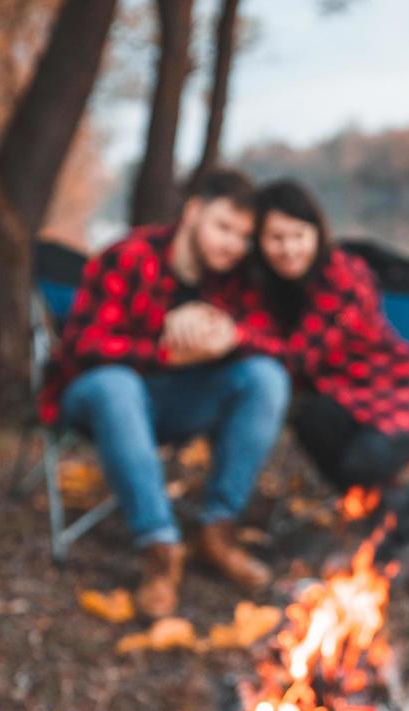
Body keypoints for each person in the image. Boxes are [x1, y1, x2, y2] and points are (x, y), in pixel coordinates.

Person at [237, 178, 409, 642]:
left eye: (297, 236)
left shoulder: (343, 274)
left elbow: (299, 355)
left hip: (402, 395)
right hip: (344, 404)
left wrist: (233, 335)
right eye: (275, 238)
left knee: (361, 463)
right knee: (311, 420)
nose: (287, 249)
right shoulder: (269, 289)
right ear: (260, 242)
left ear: (317, 234)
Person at [39, 169, 290, 619]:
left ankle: (219, 528)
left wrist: (229, 334)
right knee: (117, 385)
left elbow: (275, 341)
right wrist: (164, 349)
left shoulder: (235, 280)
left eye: (243, 236)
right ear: (193, 212)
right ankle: (159, 549)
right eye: (223, 227)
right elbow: (81, 346)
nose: (231, 244)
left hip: (180, 404)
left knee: (266, 377)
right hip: (96, 400)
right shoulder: (129, 256)